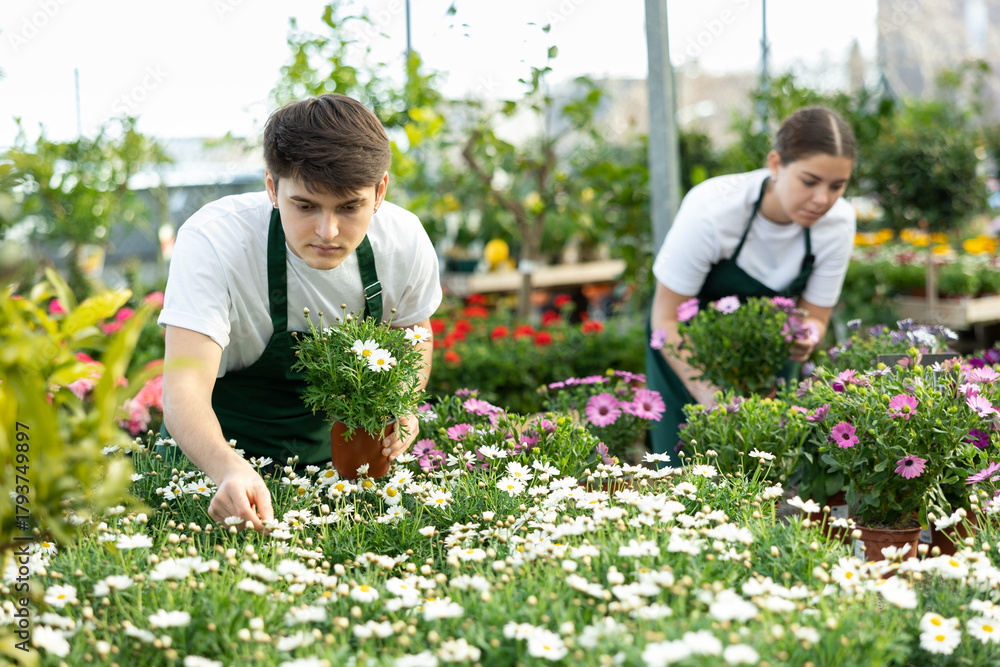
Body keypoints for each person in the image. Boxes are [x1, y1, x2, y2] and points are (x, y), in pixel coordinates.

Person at [158, 94, 442, 529]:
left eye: (349, 207)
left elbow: (414, 332)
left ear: (379, 190)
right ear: (273, 186)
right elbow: (184, 391)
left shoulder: (402, 240)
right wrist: (227, 468)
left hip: (336, 476)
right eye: (305, 205)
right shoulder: (213, 241)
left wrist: (403, 401)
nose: (327, 232)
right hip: (204, 471)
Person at [646, 106, 856, 466]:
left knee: (766, 481)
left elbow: (816, 315)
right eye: (809, 181)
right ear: (776, 164)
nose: (823, 199)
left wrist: (807, 334)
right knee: (685, 479)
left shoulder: (837, 223)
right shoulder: (712, 209)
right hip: (688, 354)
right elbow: (666, 321)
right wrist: (712, 396)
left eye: (837, 186)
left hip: (770, 368)